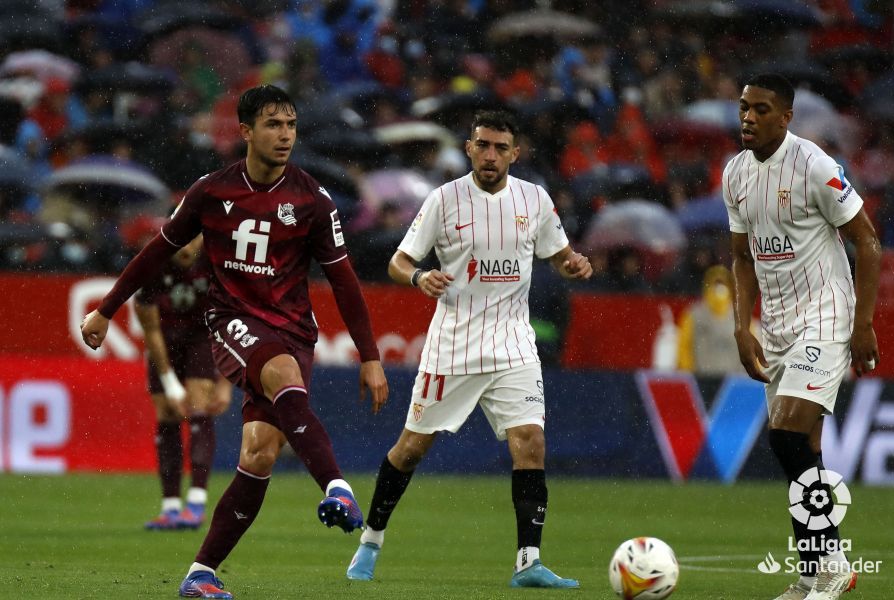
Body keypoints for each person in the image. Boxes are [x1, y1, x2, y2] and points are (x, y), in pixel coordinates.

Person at [80, 84, 389, 600]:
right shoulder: (211, 191)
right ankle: (337, 487)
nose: (285, 135)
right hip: (232, 320)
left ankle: (200, 573)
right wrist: (106, 309)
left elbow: (344, 281)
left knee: (260, 452)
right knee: (281, 374)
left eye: (291, 125)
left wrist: (371, 356)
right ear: (246, 131)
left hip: (294, 330)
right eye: (273, 124)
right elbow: (157, 251)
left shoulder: (312, 199)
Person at [345, 110, 592, 588]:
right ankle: (370, 541)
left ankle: (528, 562)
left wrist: (574, 264)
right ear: (468, 148)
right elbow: (399, 261)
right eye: (483, 145)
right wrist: (419, 277)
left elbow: (560, 256)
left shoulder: (535, 199)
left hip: (513, 343)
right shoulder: (444, 199)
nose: (490, 155)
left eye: (500, 147)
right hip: (453, 345)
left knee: (530, 442)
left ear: (515, 153)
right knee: (410, 449)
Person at [724, 74, 881, 600]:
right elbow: (742, 257)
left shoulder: (814, 165)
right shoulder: (735, 173)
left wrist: (862, 323)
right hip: (776, 326)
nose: (748, 117)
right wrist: (742, 326)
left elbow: (868, 241)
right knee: (804, 452)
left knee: (786, 435)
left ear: (786, 117)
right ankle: (813, 574)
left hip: (825, 314)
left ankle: (834, 563)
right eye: (744, 107)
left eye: (761, 109)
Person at [135, 233, 232, 530]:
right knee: (167, 412)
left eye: (193, 239)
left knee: (199, 405)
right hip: (164, 340)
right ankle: (170, 508)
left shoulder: (218, 261)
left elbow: (231, 320)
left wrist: (225, 382)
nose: (187, 246)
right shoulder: (153, 262)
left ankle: (196, 504)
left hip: (202, 337)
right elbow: (151, 330)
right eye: (182, 238)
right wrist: (171, 384)